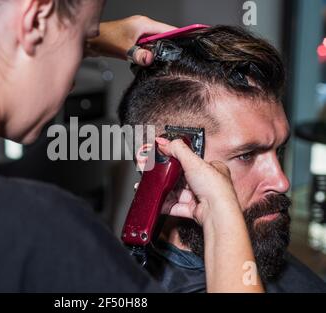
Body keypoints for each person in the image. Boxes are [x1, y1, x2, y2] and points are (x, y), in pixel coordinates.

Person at [0, 0, 260, 292]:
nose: (74, 79)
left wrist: (75, 35)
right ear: (36, 20)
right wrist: (222, 217)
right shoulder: (40, 234)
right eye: (82, 41)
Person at [118, 25, 326, 293]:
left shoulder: (259, 246)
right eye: (246, 155)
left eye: (279, 150)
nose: (282, 181)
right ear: (164, 160)